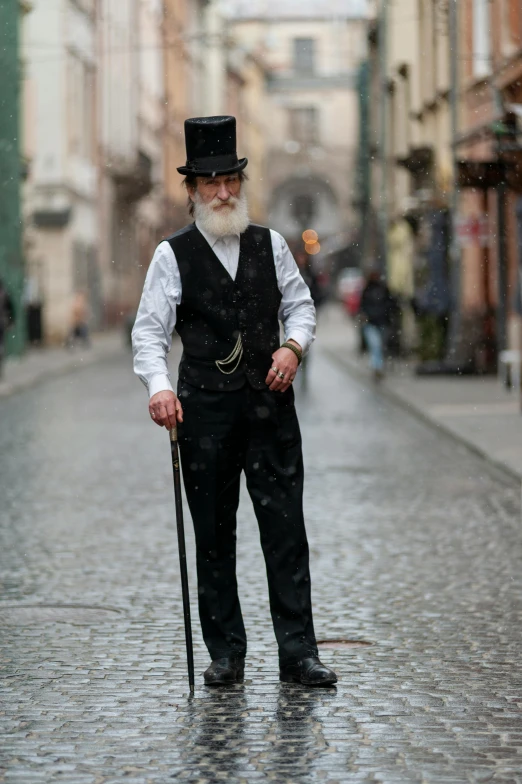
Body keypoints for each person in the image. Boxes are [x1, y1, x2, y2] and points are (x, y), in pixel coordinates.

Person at [132, 115, 337, 687]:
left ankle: (298, 653)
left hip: (270, 409)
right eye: (210, 183)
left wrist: (294, 348)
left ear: (241, 182)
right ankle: (227, 653)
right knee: (214, 536)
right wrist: (160, 386)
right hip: (206, 414)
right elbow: (149, 332)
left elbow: (301, 306)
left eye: (230, 180)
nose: (223, 192)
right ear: (193, 190)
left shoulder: (270, 243)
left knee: (285, 531)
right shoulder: (172, 255)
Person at [359, 269, 393, 381]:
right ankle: (377, 367)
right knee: (376, 346)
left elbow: (390, 304)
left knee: (378, 346)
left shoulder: (381, 290)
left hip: (380, 322)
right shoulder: (369, 291)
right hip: (373, 323)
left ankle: (377, 367)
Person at [0, 279, 15, 378]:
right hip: (2, 323)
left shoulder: (4, 294)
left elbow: (10, 309)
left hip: (1, 324)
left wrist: (11, 321)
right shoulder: (5, 294)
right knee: (1, 347)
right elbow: (11, 309)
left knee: (1, 347)